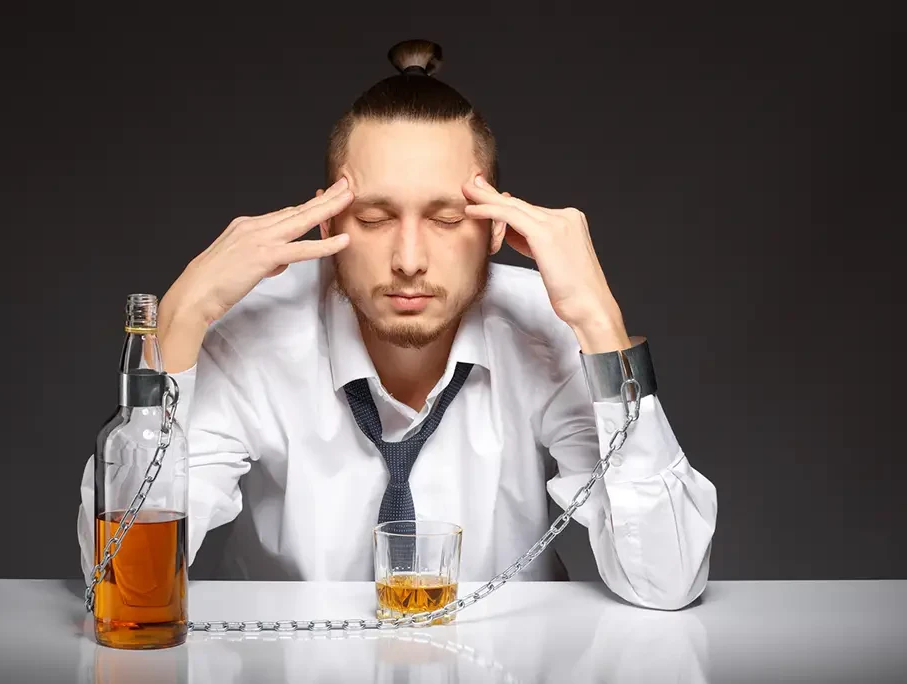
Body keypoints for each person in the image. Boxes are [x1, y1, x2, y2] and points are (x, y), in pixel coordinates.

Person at [78, 39, 717, 610]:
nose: (408, 261)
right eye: (376, 218)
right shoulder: (250, 336)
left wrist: (602, 327)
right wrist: (179, 324)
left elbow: (667, 581)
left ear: (497, 227)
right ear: (329, 225)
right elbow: (119, 584)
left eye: (445, 219)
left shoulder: (547, 329)